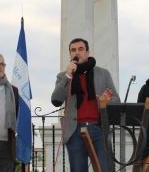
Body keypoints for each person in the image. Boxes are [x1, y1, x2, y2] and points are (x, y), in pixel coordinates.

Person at [51, 38, 120, 171]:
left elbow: (117, 100)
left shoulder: (103, 73)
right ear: (70, 55)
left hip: (99, 129)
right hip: (75, 130)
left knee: (105, 169)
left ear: (87, 52)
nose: (77, 52)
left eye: (81, 49)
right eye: (73, 50)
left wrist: (106, 101)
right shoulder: (63, 76)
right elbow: (56, 100)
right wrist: (68, 75)